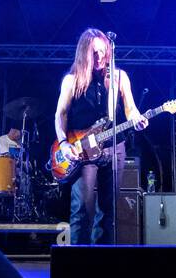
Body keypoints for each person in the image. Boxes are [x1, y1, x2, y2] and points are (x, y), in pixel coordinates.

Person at [54, 29, 147, 245]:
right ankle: (77, 266)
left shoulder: (118, 77)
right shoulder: (72, 80)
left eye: (102, 52)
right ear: (83, 53)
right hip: (82, 149)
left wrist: (137, 118)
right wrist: (63, 143)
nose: (99, 58)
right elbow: (61, 114)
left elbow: (130, 109)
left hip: (114, 147)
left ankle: (102, 266)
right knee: (82, 209)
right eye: (93, 53)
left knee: (108, 210)